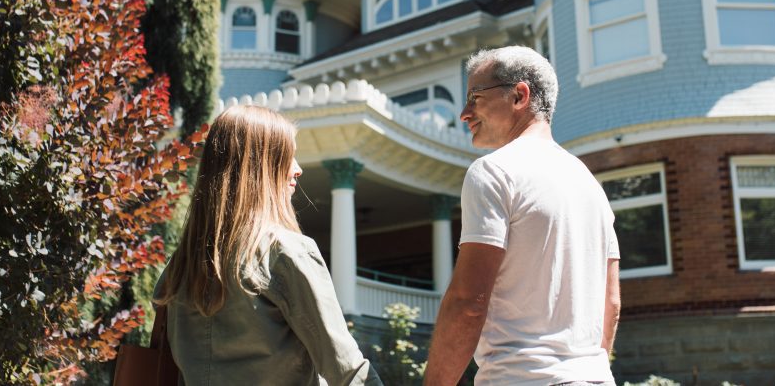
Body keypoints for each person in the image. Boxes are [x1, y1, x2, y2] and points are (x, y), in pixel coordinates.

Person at [424, 46, 622, 386]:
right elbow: (612, 303)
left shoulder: (493, 172)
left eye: (474, 97)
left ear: (519, 95)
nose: (464, 114)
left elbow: (469, 302)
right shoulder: (590, 185)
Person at [154, 105, 381, 385]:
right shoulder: (285, 253)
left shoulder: (180, 266)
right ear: (261, 168)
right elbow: (349, 372)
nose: (297, 170)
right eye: (287, 157)